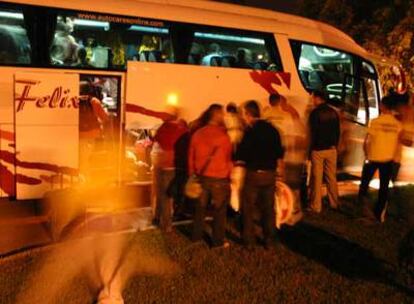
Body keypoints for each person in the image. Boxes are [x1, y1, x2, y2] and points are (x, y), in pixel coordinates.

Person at [235, 100, 284, 249]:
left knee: (248, 208)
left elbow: (241, 154)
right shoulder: (272, 129)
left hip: (253, 174)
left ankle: (249, 241)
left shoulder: (249, 132)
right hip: (270, 174)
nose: (243, 117)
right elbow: (280, 153)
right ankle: (270, 240)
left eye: (244, 114)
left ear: (248, 114)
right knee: (268, 208)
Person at [188, 104, 233, 248]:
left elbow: (191, 157)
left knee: (199, 210)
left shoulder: (197, 134)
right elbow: (229, 158)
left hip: (201, 177)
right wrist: (230, 175)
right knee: (219, 212)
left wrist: (192, 175)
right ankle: (217, 241)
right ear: (217, 116)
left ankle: (196, 237)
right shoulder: (224, 136)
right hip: (220, 178)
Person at [358, 96, 403, 223]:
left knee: (364, 186)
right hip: (388, 160)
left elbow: (367, 141)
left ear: (383, 106)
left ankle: (364, 211)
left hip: (373, 158)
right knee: (383, 189)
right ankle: (378, 215)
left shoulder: (376, 121)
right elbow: (398, 142)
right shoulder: (398, 124)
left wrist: (366, 154)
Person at [307, 90, 340, 213]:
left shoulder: (315, 113)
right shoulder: (333, 113)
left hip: (318, 150)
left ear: (318, 98)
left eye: (313, 98)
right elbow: (337, 132)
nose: (312, 100)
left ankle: (316, 206)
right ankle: (334, 203)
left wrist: (309, 151)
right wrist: (335, 145)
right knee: (331, 177)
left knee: (317, 178)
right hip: (332, 149)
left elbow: (313, 133)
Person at [78, 82, 109, 178]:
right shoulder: (94, 101)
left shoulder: (74, 100)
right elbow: (105, 118)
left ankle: (81, 178)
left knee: (81, 158)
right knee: (87, 159)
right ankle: (86, 180)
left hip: (78, 135)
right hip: (91, 136)